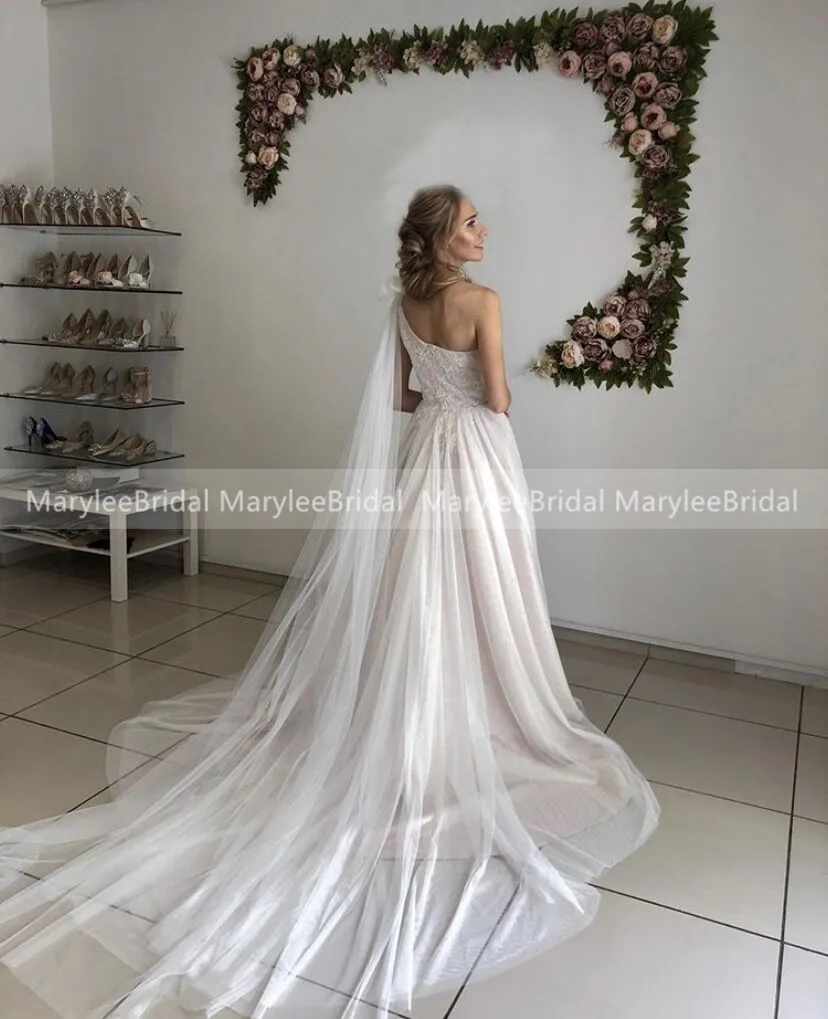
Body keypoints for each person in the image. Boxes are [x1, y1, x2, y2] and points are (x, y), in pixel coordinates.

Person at [0, 185, 659, 1019]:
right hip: (477, 455)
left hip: (425, 455)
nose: (483, 229)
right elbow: (497, 399)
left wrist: (441, 394)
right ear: (443, 238)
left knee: (417, 585)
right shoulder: (483, 301)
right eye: (470, 222)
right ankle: (484, 701)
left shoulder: (406, 306)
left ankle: (409, 703)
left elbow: (401, 399)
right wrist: (480, 394)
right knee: (484, 580)